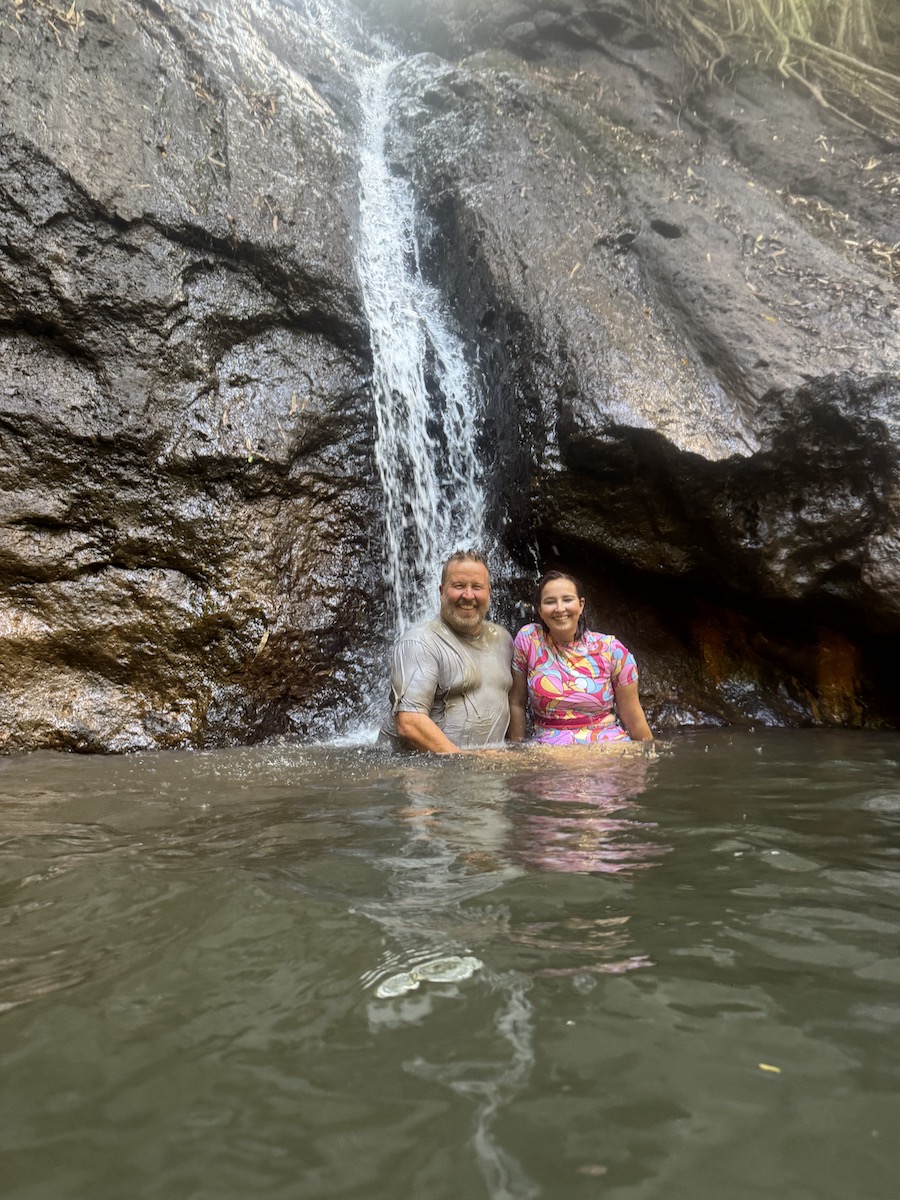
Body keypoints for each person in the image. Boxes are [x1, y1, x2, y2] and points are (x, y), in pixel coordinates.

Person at [377, 551, 514, 753]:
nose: (468, 596)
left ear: (489, 592)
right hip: (424, 774)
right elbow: (409, 723)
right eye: (459, 586)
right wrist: (469, 763)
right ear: (441, 591)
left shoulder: (503, 639)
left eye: (477, 587)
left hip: (485, 772)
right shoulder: (420, 642)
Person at [508, 570, 653, 745]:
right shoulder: (529, 640)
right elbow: (516, 703)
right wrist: (517, 750)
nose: (560, 609)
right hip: (549, 752)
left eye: (567, 600)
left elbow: (633, 718)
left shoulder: (611, 649)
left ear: (581, 604)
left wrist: (647, 757)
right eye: (550, 602)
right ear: (540, 610)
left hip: (607, 747)